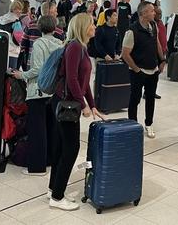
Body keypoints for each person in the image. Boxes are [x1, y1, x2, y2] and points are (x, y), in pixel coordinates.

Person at [48, 13, 104, 211]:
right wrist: (83, 104)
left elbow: (83, 82)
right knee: (71, 149)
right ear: (83, 27)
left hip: (69, 104)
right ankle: (57, 197)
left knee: (62, 147)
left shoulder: (82, 48)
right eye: (91, 24)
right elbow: (72, 79)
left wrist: (92, 104)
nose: (94, 27)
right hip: (66, 105)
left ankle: (54, 189)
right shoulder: (74, 47)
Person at [12, 15, 62, 176]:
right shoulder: (60, 44)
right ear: (55, 28)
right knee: (51, 127)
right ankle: (49, 160)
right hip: (53, 91)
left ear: (39, 28)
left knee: (37, 130)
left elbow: (38, 69)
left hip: (38, 91)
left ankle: (36, 166)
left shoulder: (40, 43)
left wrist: (22, 75)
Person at [121, 2, 166, 139]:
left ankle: (149, 123)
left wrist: (162, 59)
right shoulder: (132, 31)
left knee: (150, 98)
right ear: (144, 13)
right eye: (152, 11)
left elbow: (156, 42)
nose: (155, 13)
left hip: (153, 70)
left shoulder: (153, 26)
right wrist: (136, 70)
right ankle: (132, 125)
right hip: (138, 71)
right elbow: (125, 54)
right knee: (135, 99)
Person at [19, 1, 65, 70]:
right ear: (49, 13)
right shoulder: (58, 31)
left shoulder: (30, 26)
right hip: (50, 70)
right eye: (55, 11)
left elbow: (22, 46)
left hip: (32, 66)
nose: (57, 13)